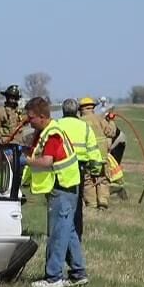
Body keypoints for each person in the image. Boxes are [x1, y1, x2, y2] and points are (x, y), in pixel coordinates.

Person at [21, 97, 87, 287]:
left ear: (42, 117)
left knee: (58, 233)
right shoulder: (46, 131)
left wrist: (24, 161)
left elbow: (46, 162)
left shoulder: (52, 134)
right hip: (66, 187)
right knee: (69, 231)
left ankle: (53, 277)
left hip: (62, 187)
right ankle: (78, 273)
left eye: (31, 117)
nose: (28, 121)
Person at [57, 98, 102, 241]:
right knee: (77, 204)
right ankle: (76, 234)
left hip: (59, 168)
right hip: (79, 169)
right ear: (77, 111)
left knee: (60, 203)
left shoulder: (56, 125)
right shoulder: (84, 127)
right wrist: (96, 169)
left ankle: (59, 234)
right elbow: (93, 150)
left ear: (63, 111)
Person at [78, 96, 117, 210]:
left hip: (87, 157)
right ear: (93, 107)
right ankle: (103, 202)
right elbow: (111, 132)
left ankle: (91, 204)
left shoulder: (79, 122)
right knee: (102, 179)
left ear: (81, 109)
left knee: (88, 180)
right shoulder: (100, 119)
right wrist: (111, 120)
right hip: (102, 156)